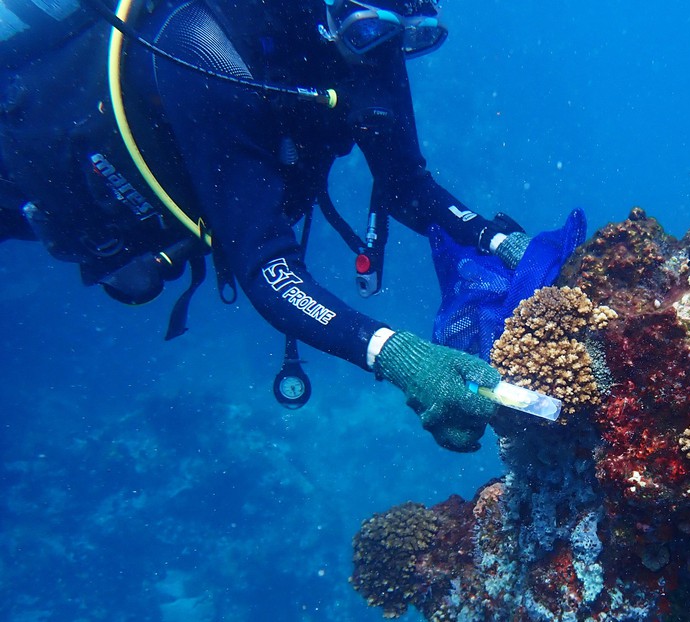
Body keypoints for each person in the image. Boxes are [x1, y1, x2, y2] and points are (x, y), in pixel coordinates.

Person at [0, 0, 581, 452]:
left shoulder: (369, 39)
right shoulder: (201, 47)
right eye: (371, 28)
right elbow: (266, 268)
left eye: (403, 32)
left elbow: (406, 185)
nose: (383, 54)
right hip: (33, 182)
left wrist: (499, 240)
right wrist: (396, 353)